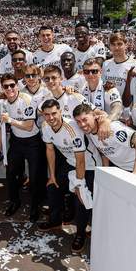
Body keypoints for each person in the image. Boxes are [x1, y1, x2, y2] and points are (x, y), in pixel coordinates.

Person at [39, 99, 93, 254]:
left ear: (61, 111)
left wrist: (79, 184)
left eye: (54, 113)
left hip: (88, 166)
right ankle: (55, 220)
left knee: (81, 199)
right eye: (47, 115)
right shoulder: (45, 126)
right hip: (70, 162)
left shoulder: (72, 128)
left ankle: (80, 233)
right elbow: (50, 150)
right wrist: (52, 176)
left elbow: (81, 160)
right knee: (52, 187)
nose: (51, 118)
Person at [0, 73, 45, 221]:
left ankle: (35, 207)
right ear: (2, 88)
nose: (10, 88)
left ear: (17, 86)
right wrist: (0, 143)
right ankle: (14, 201)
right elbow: (1, 125)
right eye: (6, 86)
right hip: (16, 141)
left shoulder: (27, 100)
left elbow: (29, 126)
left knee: (35, 176)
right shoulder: (3, 102)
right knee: (11, 173)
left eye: (12, 85)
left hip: (33, 142)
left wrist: (10, 120)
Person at [73, 103, 136, 176]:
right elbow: (104, 151)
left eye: (85, 119)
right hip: (124, 168)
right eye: (78, 122)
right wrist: (105, 171)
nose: (82, 124)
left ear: (94, 116)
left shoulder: (112, 128)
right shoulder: (90, 131)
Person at [102, 32, 136, 97]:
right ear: (109, 46)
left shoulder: (135, 65)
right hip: (107, 106)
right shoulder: (105, 64)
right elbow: (102, 85)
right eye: (113, 44)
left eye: (119, 44)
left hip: (126, 106)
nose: (116, 47)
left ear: (126, 45)